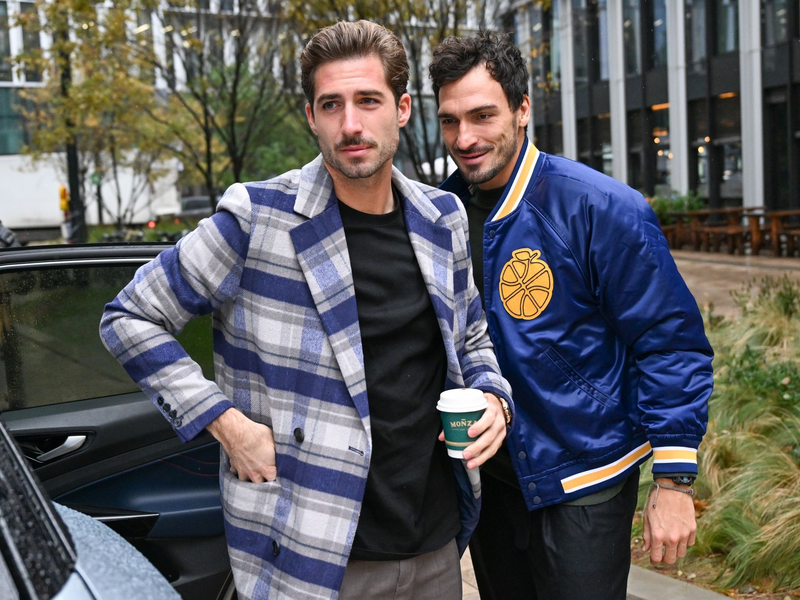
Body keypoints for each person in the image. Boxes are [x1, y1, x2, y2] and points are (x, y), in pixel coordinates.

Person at [100, 21, 512, 600]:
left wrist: (495, 397)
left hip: (436, 549)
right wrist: (227, 424)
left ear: (401, 109)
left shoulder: (441, 218)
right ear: (310, 115)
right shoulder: (256, 218)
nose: (350, 124)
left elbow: (471, 342)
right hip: (311, 555)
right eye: (331, 104)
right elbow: (129, 316)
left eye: (368, 101)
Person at [429, 33, 714, 600]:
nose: (465, 138)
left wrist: (676, 481)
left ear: (523, 109)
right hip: (489, 481)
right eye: (450, 120)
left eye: (483, 115)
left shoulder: (600, 207)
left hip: (585, 477)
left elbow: (671, 343)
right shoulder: (439, 215)